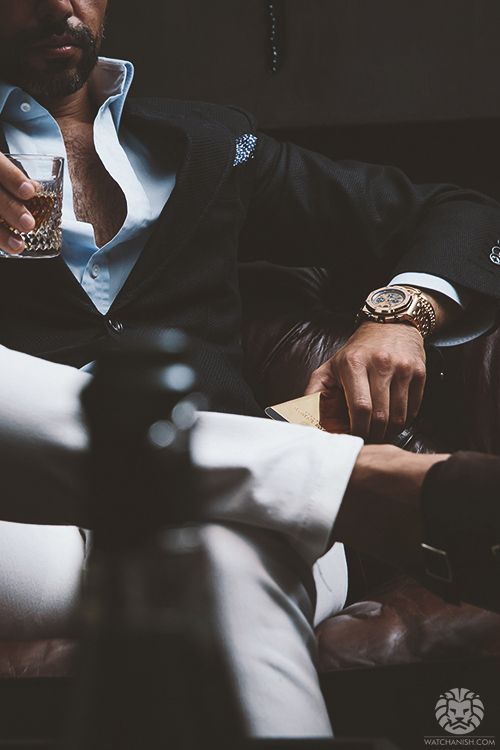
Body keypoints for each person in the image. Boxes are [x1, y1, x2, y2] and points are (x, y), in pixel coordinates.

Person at [0, 0, 499, 738]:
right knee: (231, 535)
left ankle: (269, 485)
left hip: (233, 520)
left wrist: (401, 316)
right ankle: (350, 485)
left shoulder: (211, 142)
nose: (57, 4)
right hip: (23, 530)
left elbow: (461, 212)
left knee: (222, 552)